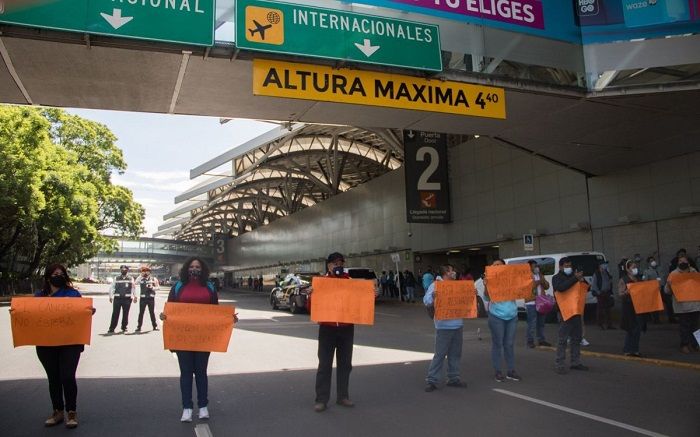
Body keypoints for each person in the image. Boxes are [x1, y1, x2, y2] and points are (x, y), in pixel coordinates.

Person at [161, 257, 235, 422]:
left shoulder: (209, 287)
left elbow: (216, 311)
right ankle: (186, 408)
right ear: (187, 268)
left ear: (203, 270)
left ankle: (203, 406)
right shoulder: (178, 286)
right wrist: (164, 316)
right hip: (183, 338)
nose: (195, 269)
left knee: (201, 373)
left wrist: (229, 319)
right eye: (192, 266)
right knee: (186, 373)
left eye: (198, 267)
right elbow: (170, 308)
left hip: (203, 338)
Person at [27, 264, 95, 429]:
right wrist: (19, 313)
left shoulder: (73, 294)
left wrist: (88, 311)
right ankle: (57, 411)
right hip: (46, 344)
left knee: (67, 376)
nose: (58, 276)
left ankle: (71, 411)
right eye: (55, 274)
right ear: (48, 277)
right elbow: (31, 316)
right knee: (53, 378)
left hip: (69, 343)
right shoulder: (39, 297)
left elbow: (81, 314)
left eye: (61, 274)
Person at [310, 252, 355, 412]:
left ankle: (343, 396)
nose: (338, 266)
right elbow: (312, 308)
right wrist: (311, 296)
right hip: (327, 329)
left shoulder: (350, 282)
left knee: (345, 364)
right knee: (325, 364)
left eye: (340, 263)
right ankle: (321, 399)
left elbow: (359, 302)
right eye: (335, 264)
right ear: (328, 266)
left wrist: (372, 295)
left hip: (346, 328)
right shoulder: (321, 283)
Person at [423, 264, 468, 391]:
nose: (454, 272)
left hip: (457, 324)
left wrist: (471, 293)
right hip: (443, 326)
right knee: (440, 354)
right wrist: (433, 297)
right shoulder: (436, 285)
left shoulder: (457, 285)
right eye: (452, 270)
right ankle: (432, 380)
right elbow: (426, 301)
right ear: (446, 273)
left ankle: (453, 378)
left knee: (455, 354)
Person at [484, 259, 521, 382]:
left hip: (512, 316)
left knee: (509, 344)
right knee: (498, 344)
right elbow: (486, 297)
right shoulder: (490, 280)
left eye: (499, 265)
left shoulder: (511, 279)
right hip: (496, 316)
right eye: (494, 265)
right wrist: (486, 285)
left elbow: (521, 290)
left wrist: (527, 280)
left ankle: (511, 370)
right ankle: (498, 371)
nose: (497, 267)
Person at [552, 257, 589, 374]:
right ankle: (560, 364)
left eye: (570, 266)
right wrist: (575, 278)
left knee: (576, 338)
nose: (569, 268)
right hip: (564, 312)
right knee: (562, 339)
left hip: (576, 311)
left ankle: (575, 362)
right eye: (567, 266)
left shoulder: (574, 276)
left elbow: (587, 288)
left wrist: (581, 280)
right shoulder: (556, 278)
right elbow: (561, 288)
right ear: (561, 266)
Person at [664, 255, 700, 354]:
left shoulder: (694, 273)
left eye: (684, 261)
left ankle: (696, 344)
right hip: (682, 307)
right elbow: (667, 291)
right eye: (680, 261)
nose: (682, 262)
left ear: (688, 263)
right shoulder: (673, 274)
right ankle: (684, 344)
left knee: (696, 326)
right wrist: (669, 285)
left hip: (695, 305)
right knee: (684, 326)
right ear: (677, 263)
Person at [618, 260, 646, 357]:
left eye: (635, 267)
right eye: (632, 267)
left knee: (638, 327)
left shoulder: (639, 279)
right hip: (628, 306)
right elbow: (620, 294)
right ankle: (628, 349)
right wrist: (626, 292)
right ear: (627, 269)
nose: (635, 269)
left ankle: (635, 349)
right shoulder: (624, 280)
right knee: (630, 327)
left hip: (638, 305)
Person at [525, 259, 551, 348]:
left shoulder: (540, 275)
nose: (536, 268)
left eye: (537, 266)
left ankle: (541, 340)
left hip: (541, 301)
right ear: (529, 267)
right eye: (534, 266)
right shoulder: (526, 276)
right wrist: (538, 281)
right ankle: (530, 341)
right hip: (531, 302)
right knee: (532, 322)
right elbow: (529, 287)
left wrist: (542, 280)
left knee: (541, 322)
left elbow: (547, 286)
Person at [108, 265, 135, 333]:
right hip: (117, 298)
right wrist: (110, 296)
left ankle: (124, 327)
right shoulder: (116, 278)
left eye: (125, 269)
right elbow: (112, 287)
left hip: (127, 299)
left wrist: (134, 296)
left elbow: (133, 288)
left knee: (125, 314)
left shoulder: (130, 278)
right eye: (122, 269)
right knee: (115, 314)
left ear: (127, 270)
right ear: (120, 270)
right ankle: (112, 328)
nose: (123, 270)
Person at [591, 260, 615, 330]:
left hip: (607, 292)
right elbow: (594, 284)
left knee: (608, 309)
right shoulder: (596, 274)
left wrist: (611, 292)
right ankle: (600, 324)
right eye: (604, 264)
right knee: (600, 309)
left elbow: (610, 282)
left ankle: (609, 324)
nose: (605, 266)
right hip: (601, 293)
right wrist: (598, 293)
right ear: (600, 266)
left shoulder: (606, 272)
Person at [135, 266, 159, 332]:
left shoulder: (154, 279)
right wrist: (140, 275)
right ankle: (139, 327)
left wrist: (152, 288)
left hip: (150, 298)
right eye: (143, 271)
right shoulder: (140, 279)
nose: (145, 272)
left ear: (150, 272)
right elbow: (135, 283)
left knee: (152, 313)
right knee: (141, 313)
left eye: (147, 271)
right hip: (143, 298)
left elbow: (158, 287)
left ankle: (155, 326)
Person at [642, 256, 663, 324]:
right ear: (648, 263)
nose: (653, 262)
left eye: (653, 260)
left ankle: (671, 317)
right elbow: (645, 281)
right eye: (651, 261)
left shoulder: (659, 268)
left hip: (661, 288)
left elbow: (663, 277)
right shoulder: (647, 271)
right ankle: (656, 319)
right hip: (653, 290)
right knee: (655, 305)